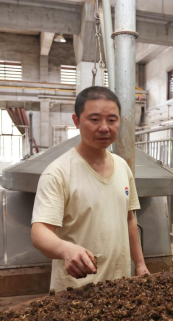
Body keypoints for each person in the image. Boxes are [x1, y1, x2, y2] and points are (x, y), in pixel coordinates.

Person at [31, 86, 149, 292]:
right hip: (76, 291)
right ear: (76, 121)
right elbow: (39, 231)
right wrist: (65, 249)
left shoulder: (122, 166)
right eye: (94, 119)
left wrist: (139, 264)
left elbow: (129, 219)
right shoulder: (58, 173)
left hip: (119, 286)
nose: (104, 127)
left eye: (111, 120)